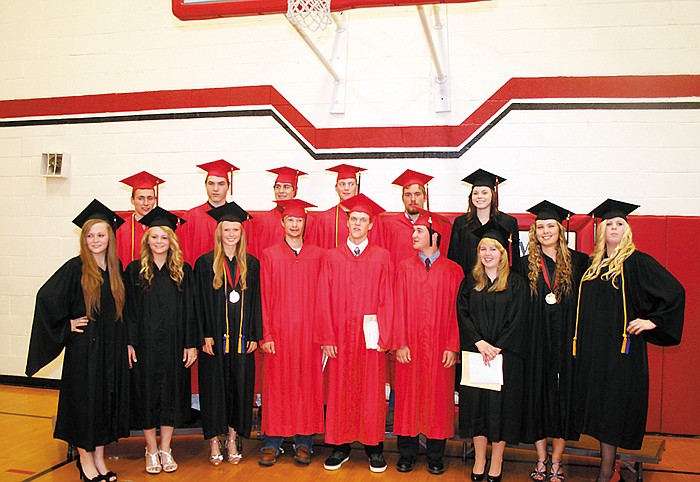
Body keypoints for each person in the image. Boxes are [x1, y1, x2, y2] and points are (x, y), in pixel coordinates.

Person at [573, 199, 685, 482]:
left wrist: (652, 321)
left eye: (619, 223)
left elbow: (674, 291)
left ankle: (607, 471)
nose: (613, 227)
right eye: (609, 223)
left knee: (612, 410)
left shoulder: (637, 262)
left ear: (627, 230)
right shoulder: (592, 265)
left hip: (622, 354)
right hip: (595, 353)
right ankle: (611, 467)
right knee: (599, 409)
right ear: (601, 231)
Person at [26, 199, 128, 482]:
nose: (95, 240)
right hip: (85, 351)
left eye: (101, 234)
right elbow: (45, 298)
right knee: (87, 404)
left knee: (103, 402)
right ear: (84, 239)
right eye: (90, 235)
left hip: (109, 349)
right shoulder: (75, 268)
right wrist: (67, 325)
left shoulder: (115, 267)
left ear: (110, 237)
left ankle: (98, 456)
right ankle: (85, 460)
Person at [316, 193, 394, 473]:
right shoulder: (332, 256)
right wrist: (326, 337)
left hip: (369, 339)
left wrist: (385, 335)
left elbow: (388, 297)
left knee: (371, 390)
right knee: (340, 391)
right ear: (347, 223)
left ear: (371, 225)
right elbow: (322, 298)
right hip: (339, 337)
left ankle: (374, 447)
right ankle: (340, 445)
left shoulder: (382, 257)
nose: (358, 224)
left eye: (363, 220)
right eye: (354, 219)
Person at [517, 201, 589, 482]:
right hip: (535, 342)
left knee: (563, 399)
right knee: (536, 396)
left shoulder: (579, 262)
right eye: (540, 227)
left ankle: (557, 461)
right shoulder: (523, 265)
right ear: (534, 232)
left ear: (560, 230)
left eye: (550, 226)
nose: (545, 231)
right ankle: (541, 459)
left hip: (566, 341)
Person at [124, 206, 199, 474]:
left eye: (164, 237)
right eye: (154, 237)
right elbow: (128, 311)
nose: (159, 242)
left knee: (171, 395)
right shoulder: (134, 271)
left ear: (171, 241)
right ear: (147, 240)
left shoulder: (183, 271)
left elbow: (192, 309)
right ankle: (150, 449)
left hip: (174, 345)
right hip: (144, 346)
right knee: (145, 395)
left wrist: (191, 343)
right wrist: (129, 343)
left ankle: (166, 448)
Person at [392, 210, 463, 475]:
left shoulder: (453, 271)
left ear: (434, 236)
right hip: (409, 344)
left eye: (419, 231)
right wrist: (399, 342)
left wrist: (452, 346)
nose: (414, 235)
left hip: (440, 347)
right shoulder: (404, 267)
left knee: (438, 400)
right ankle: (407, 454)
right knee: (408, 398)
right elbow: (397, 307)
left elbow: (459, 313)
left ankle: (435, 455)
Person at [456, 219, 527, 482]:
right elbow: (462, 314)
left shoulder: (516, 284)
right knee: (477, 409)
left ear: (503, 253)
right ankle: (479, 459)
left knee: (502, 410)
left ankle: (496, 461)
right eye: (483, 248)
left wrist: (497, 346)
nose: (487, 253)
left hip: (504, 357)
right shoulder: (469, 282)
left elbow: (519, 318)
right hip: (477, 355)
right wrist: (479, 343)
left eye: (493, 249)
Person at [194, 201, 262, 466]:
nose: (231, 234)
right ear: (219, 232)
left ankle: (233, 436)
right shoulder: (205, 263)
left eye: (236, 229)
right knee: (214, 389)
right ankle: (214, 439)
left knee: (240, 388)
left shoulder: (252, 264)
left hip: (243, 339)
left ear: (242, 233)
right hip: (215, 340)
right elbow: (198, 302)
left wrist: (255, 334)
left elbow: (257, 301)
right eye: (227, 229)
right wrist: (204, 336)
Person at [258, 199, 325, 466]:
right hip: (280, 332)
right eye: (291, 220)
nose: (295, 225)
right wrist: (267, 335)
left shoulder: (318, 255)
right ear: (282, 223)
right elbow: (264, 297)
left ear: (305, 223)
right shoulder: (269, 254)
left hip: (309, 333)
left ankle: (304, 440)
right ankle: (272, 441)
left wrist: (322, 334)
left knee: (306, 385)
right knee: (277, 386)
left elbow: (324, 297)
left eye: (299, 220)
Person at [448, 169, 520, 277]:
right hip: (469, 284)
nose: (479, 197)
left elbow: (514, 259)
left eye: (484, 192)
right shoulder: (461, 223)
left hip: (500, 284)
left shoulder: (508, 222)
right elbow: (454, 257)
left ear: (493, 195)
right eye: (475, 193)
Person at [378, 169, 452, 268]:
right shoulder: (389, 225)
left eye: (417, 194)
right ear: (402, 198)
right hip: (400, 280)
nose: (413, 199)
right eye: (408, 195)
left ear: (425, 197)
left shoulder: (438, 224)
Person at [180, 159, 239, 266]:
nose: (215, 189)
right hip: (199, 277)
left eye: (221, 184)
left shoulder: (237, 218)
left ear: (228, 187)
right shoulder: (191, 217)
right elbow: (184, 252)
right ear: (205, 185)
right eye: (211, 184)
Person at [246, 166, 306, 257]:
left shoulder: (306, 221)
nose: (281, 191)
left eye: (286, 187)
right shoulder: (262, 221)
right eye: (278, 187)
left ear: (295, 191)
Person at [305, 164, 366, 249]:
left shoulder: (367, 218)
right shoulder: (323, 219)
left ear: (357, 187)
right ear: (336, 188)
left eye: (351, 184)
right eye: (342, 184)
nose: (346, 188)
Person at [116, 171, 165, 266]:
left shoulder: (163, 227)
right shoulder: (121, 228)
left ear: (155, 200)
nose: (145, 203)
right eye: (140, 198)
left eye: (150, 198)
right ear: (132, 200)